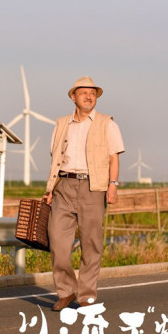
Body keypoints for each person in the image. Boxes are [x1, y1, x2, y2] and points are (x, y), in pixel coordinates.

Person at [43, 76, 124, 311]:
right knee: (57, 242)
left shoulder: (107, 123)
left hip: (93, 186)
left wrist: (113, 185)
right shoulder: (61, 123)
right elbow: (55, 158)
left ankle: (86, 295)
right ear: (73, 97)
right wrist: (50, 189)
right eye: (84, 93)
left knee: (91, 243)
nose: (89, 97)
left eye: (93, 93)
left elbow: (114, 157)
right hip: (64, 186)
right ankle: (66, 291)